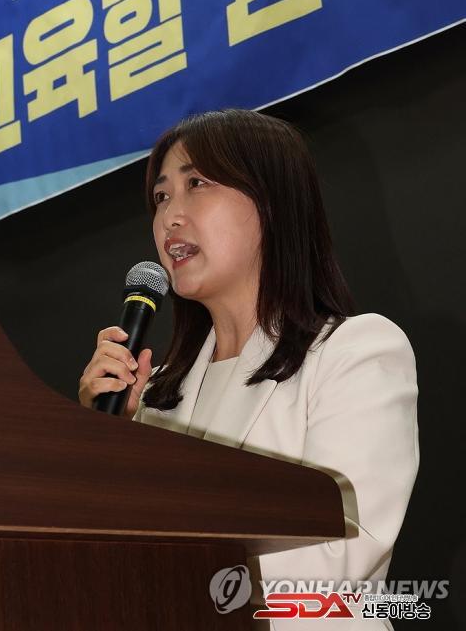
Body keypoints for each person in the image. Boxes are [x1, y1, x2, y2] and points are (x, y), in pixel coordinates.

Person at [79, 108, 419, 630]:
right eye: (161, 196)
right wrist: (106, 440)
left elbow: (338, 564)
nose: (170, 216)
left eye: (197, 184)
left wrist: (168, 583)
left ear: (272, 202)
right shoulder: (154, 399)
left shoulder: (356, 352)